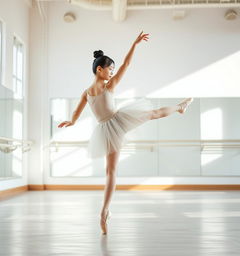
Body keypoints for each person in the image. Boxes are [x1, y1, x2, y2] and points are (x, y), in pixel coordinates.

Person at [58, 31, 193, 235]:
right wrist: (135, 44)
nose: (112, 73)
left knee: (111, 171)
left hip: (107, 127)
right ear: (100, 69)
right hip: (116, 124)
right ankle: (180, 107)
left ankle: (104, 212)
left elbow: (79, 108)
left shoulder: (88, 91)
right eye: (109, 69)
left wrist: (73, 121)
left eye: (113, 70)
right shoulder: (107, 86)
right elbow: (125, 66)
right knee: (152, 114)